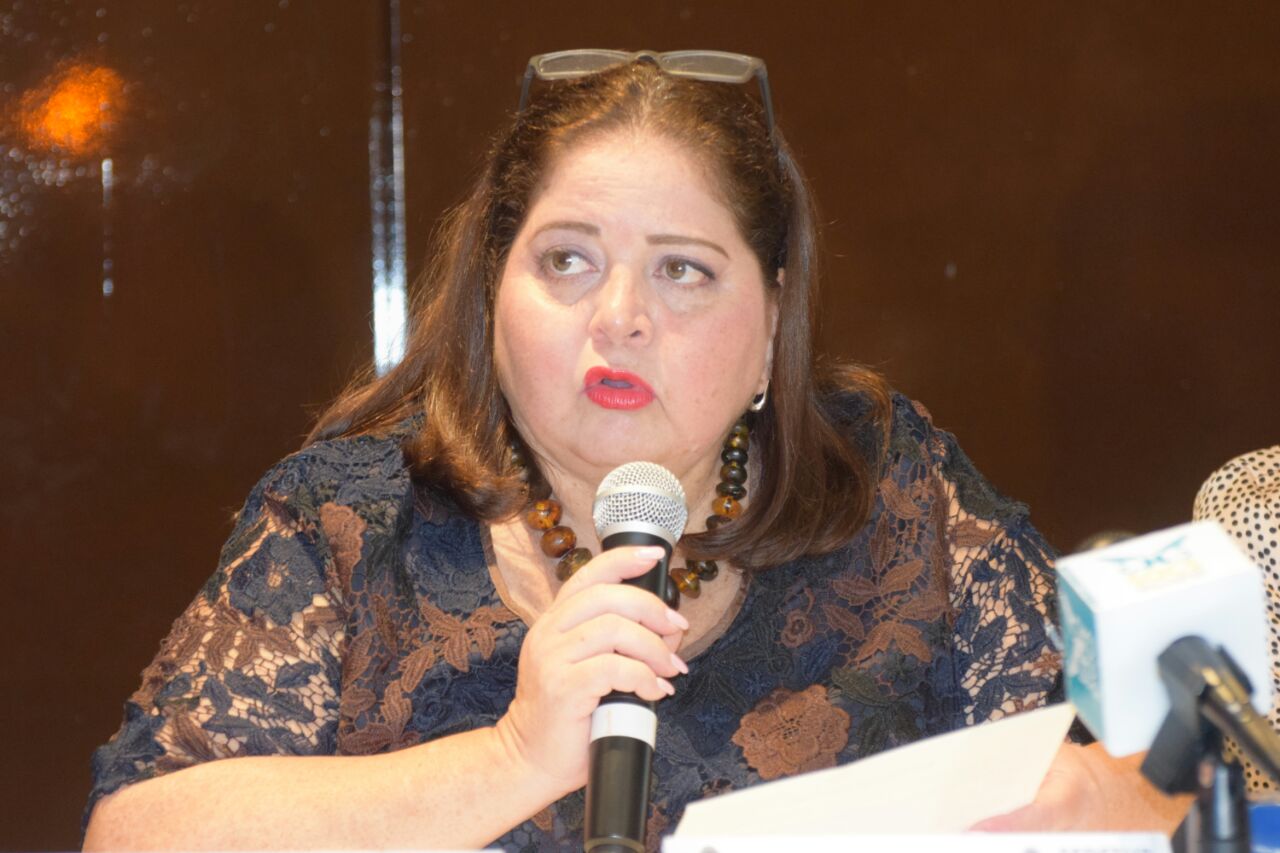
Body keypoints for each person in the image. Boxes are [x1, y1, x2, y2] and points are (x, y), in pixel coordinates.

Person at [82, 50, 1187, 850]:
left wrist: (1104, 801)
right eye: (565, 260)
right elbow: (136, 833)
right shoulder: (350, 517)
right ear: (492, 290)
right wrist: (515, 756)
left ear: (773, 322)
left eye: (682, 270)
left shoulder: (891, 487)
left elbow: (1172, 770)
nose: (618, 317)